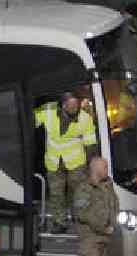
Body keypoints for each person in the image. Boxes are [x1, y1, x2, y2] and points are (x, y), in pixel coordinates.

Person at [35, 92, 98, 233]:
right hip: (54, 161)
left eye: (76, 105)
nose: (75, 108)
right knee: (56, 194)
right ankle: (60, 223)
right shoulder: (48, 112)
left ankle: (80, 220)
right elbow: (32, 119)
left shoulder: (85, 118)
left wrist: (90, 164)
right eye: (72, 106)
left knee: (79, 193)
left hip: (76, 162)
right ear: (63, 105)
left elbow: (90, 143)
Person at [74, 156, 120, 256]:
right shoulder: (84, 189)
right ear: (95, 169)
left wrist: (113, 224)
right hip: (90, 237)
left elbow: (114, 204)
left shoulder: (108, 185)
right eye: (105, 167)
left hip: (103, 237)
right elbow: (82, 213)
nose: (107, 169)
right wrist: (103, 227)